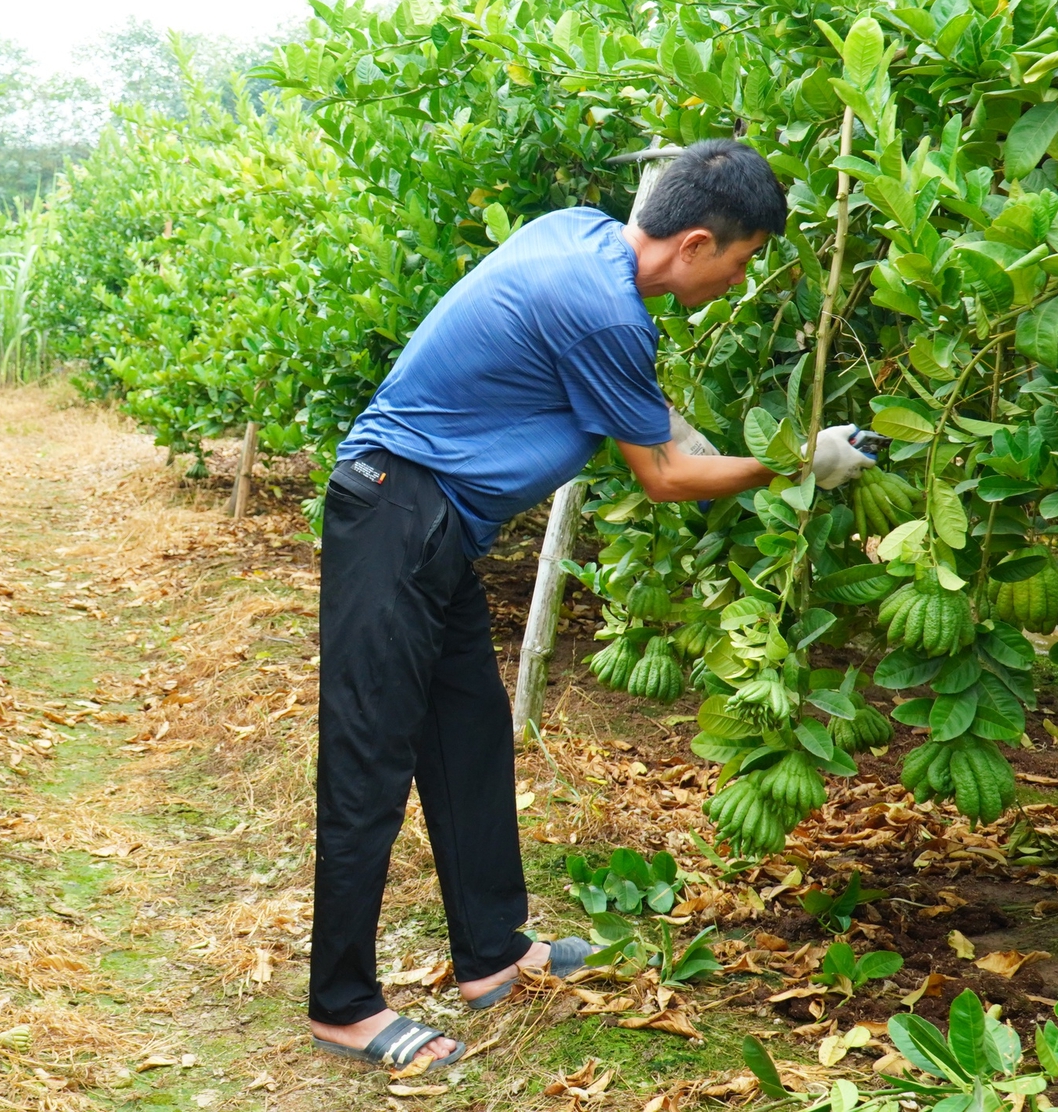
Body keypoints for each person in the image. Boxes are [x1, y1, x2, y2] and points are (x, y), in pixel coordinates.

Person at [307, 139, 876, 1072]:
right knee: (370, 756)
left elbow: (643, 411)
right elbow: (663, 475)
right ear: (696, 243)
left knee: (470, 733)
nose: (738, 284)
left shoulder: (577, 238)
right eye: (740, 263)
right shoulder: (607, 311)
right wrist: (797, 462)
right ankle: (342, 1006)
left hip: (433, 524)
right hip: (394, 514)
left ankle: (491, 954)